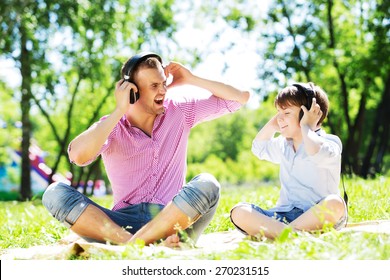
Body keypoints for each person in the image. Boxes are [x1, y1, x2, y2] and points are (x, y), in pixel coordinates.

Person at [42, 52, 250, 246]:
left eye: (163, 83)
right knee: (54, 193)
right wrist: (119, 110)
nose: (163, 90)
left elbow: (240, 98)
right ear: (132, 91)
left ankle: (134, 246)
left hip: (172, 219)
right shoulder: (112, 126)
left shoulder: (179, 111)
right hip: (120, 223)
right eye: (154, 86)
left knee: (208, 183)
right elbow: (78, 156)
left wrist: (191, 79)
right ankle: (134, 244)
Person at [230, 82, 347, 240]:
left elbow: (315, 152)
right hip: (283, 216)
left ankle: (283, 234)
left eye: (287, 112)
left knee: (335, 203)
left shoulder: (329, 142)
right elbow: (258, 148)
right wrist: (278, 119)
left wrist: (306, 126)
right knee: (239, 212)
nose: (279, 118)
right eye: (278, 112)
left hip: (315, 216)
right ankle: (292, 234)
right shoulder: (283, 144)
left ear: (308, 113)